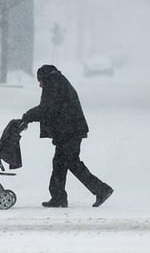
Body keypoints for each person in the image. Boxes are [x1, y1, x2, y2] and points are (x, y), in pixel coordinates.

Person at [22, 64, 113, 208]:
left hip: (69, 131)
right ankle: (58, 197)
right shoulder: (58, 80)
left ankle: (101, 189)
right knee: (61, 163)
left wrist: (28, 116)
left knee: (70, 162)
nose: (39, 85)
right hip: (70, 130)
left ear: (44, 77)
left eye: (39, 81)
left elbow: (47, 109)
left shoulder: (53, 84)